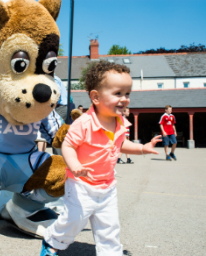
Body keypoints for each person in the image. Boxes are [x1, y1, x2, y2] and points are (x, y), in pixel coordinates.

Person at [40, 61, 162, 256]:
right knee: (73, 220)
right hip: (81, 184)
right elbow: (68, 145)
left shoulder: (120, 121)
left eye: (127, 93)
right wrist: (76, 165)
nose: (125, 99)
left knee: (109, 225)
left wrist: (142, 148)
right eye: (118, 93)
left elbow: (121, 144)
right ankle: (52, 242)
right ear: (95, 97)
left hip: (107, 186)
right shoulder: (84, 123)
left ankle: (111, 252)